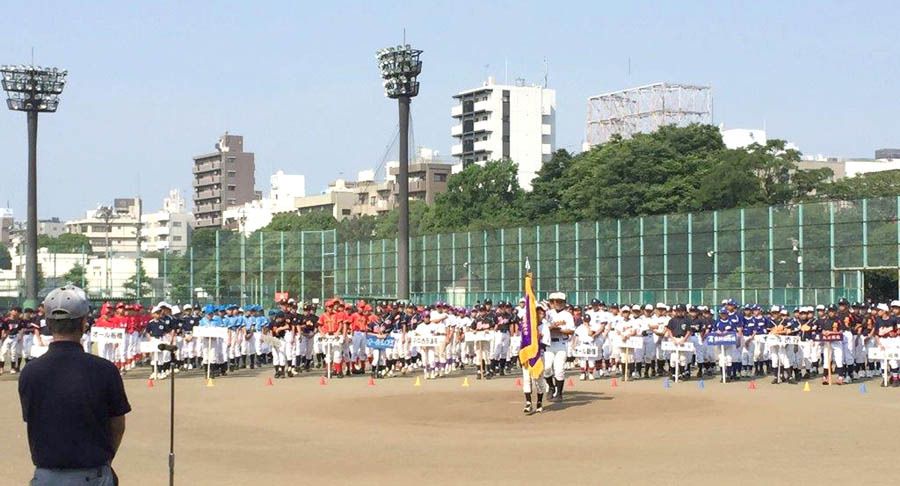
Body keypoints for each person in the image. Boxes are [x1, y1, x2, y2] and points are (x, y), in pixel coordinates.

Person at [19, 285, 130, 485]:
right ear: (83, 323)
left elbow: (33, 420)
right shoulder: (105, 369)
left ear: (49, 324)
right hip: (93, 474)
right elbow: (118, 425)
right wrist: (106, 459)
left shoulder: (30, 371)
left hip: (46, 475)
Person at [543, 292, 575, 401]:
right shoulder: (548, 314)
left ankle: (559, 393)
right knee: (546, 368)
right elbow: (542, 326)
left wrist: (560, 330)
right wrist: (550, 327)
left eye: (561, 301)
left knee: (559, 369)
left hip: (561, 343)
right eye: (556, 301)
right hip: (549, 344)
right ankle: (551, 387)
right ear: (552, 302)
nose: (558, 303)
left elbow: (571, 330)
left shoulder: (567, 315)